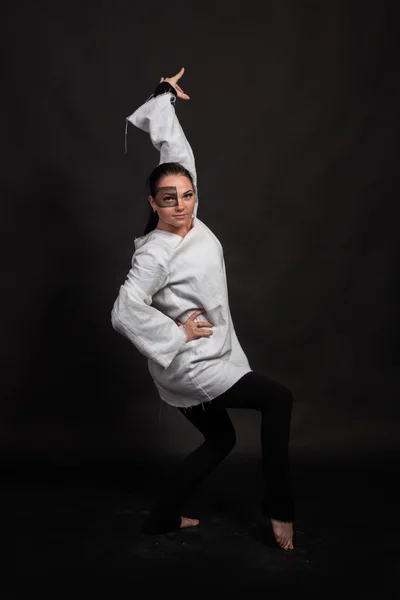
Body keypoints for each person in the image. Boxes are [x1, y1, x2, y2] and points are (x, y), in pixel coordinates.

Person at [111, 68, 295, 550]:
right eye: (168, 200)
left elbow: (176, 156)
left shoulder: (190, 213)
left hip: (212, 354)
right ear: (152, 203)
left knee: (221, 441)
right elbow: (124, 309)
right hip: (195, 364)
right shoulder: (156, 251)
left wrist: (162, 95)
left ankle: (162, 518)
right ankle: (280, 509)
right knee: (279, 400)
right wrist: (176, 334)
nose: (182, 205)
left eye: (187, 195)